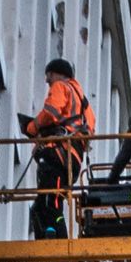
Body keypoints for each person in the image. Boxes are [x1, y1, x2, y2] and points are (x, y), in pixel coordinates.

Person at [21, 59, 92, 239]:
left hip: (58, 154)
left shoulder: (61, 87)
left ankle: (54, 240)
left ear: (58, 73)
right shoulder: (84, 103)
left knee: (49, 200)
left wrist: (33, 127)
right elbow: (88, 129)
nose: (47, 81)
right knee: (43, 204)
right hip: (72, 160)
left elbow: (51, 112)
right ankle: (48, 239)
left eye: (49, 76)